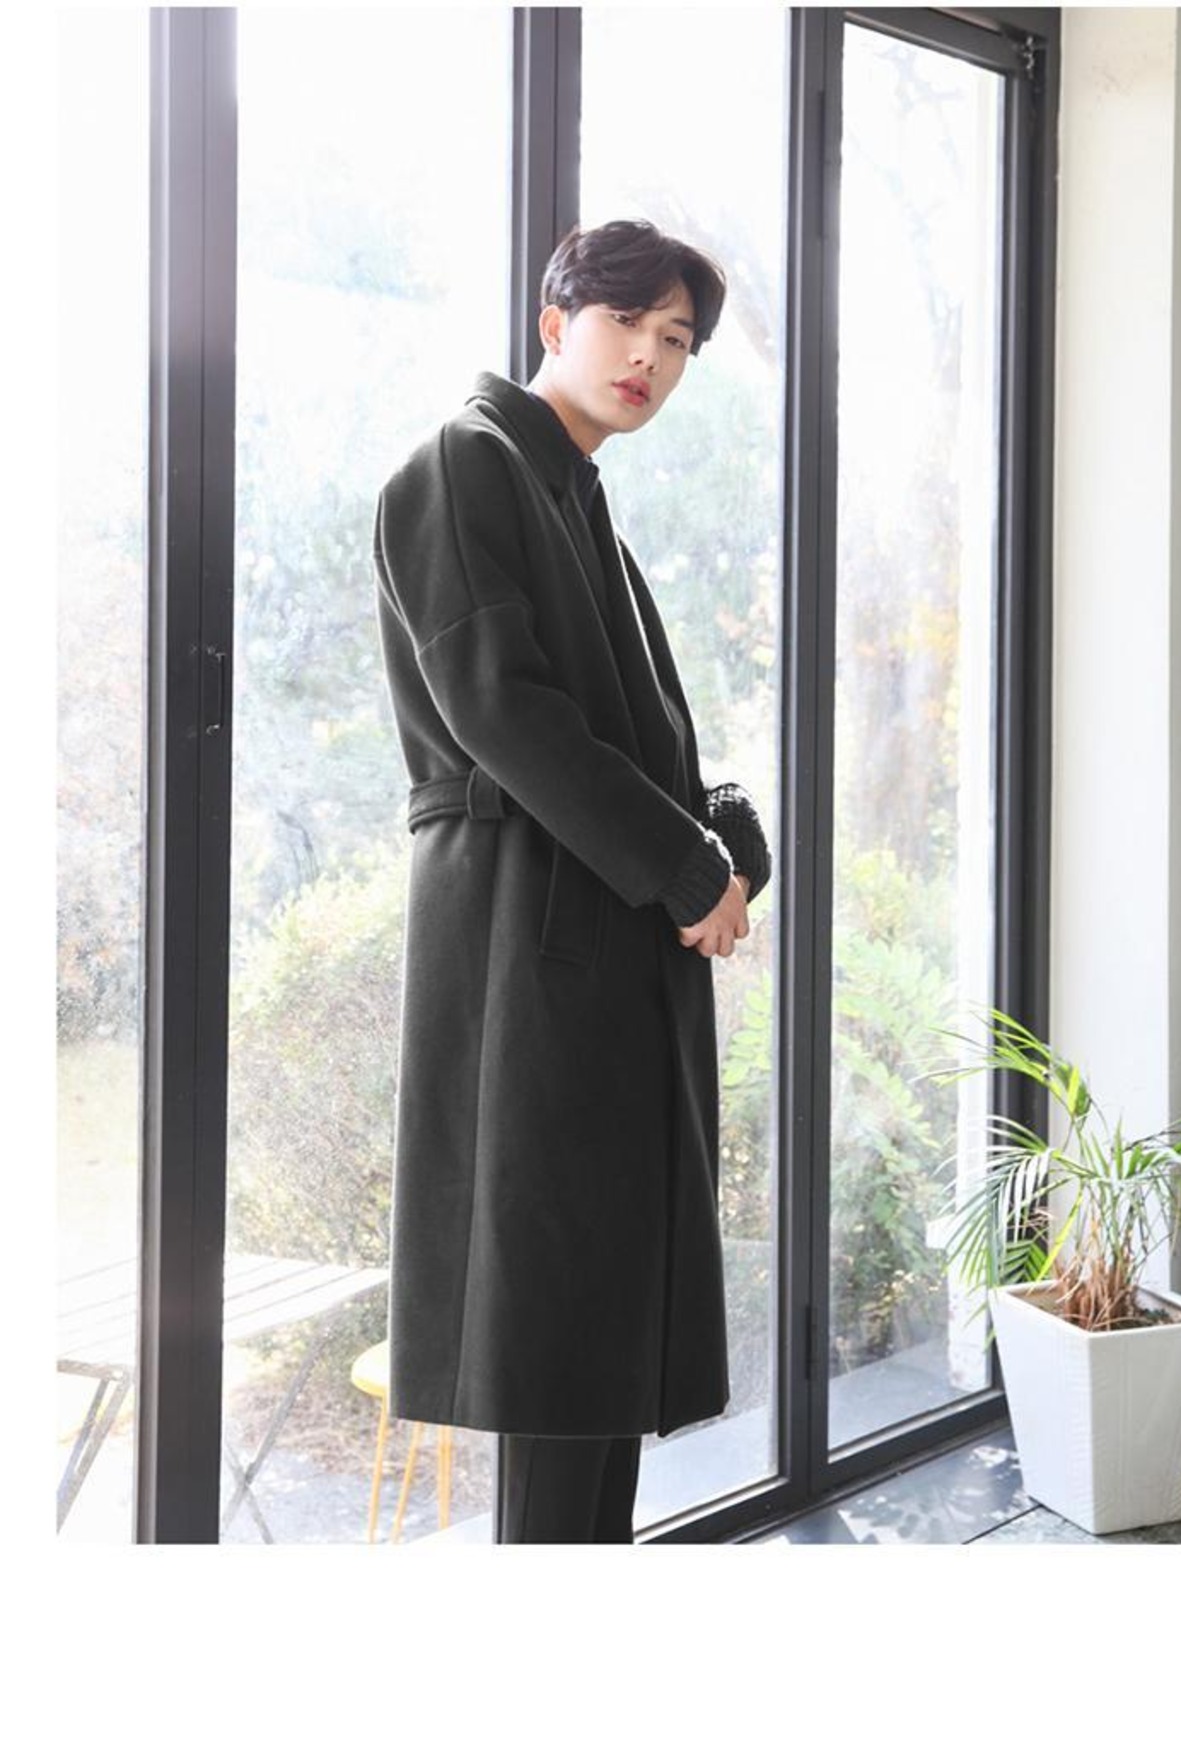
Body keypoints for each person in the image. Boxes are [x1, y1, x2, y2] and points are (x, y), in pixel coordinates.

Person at [372, 218, 771, 1543]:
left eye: (677, 340)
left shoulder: (574, 496)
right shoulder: (466, 462)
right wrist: (681, 864)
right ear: (555, 322)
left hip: (597, 948)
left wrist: (718, 845)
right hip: (526, 950)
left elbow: (628, 737)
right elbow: (505, 710)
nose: (649, 357)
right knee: (554, 1347)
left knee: (600, 1342)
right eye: (625, 323)